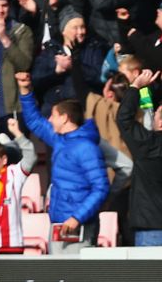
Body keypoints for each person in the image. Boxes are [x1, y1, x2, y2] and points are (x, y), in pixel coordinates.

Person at [17, 71, 109, 254]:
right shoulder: (60, 140)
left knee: (78, 280)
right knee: (59, 278)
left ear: (65, 118)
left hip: (79, 225)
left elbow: (101, 187)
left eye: (53, 115)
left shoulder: (86, 148)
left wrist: (77, 217)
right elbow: (34, 122)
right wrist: (25, 90)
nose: (49, 120)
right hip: (58, 222)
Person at [116, 68, 162, 251]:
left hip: (151, 230)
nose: (152, 118)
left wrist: (136, 87)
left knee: (152, 280)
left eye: (155, 116)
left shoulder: (149, 144)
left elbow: (124, 119)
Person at [0, 120, 37, 253]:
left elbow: (30, 157)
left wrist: (17, 133)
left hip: (11, 244)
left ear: (4, 160)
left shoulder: (14, 173)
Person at [0, 0, 33, 127]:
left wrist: (3, 37)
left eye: (4, 5)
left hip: (12, 109)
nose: (0, 10)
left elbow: (24, 64)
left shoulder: (21, 31)